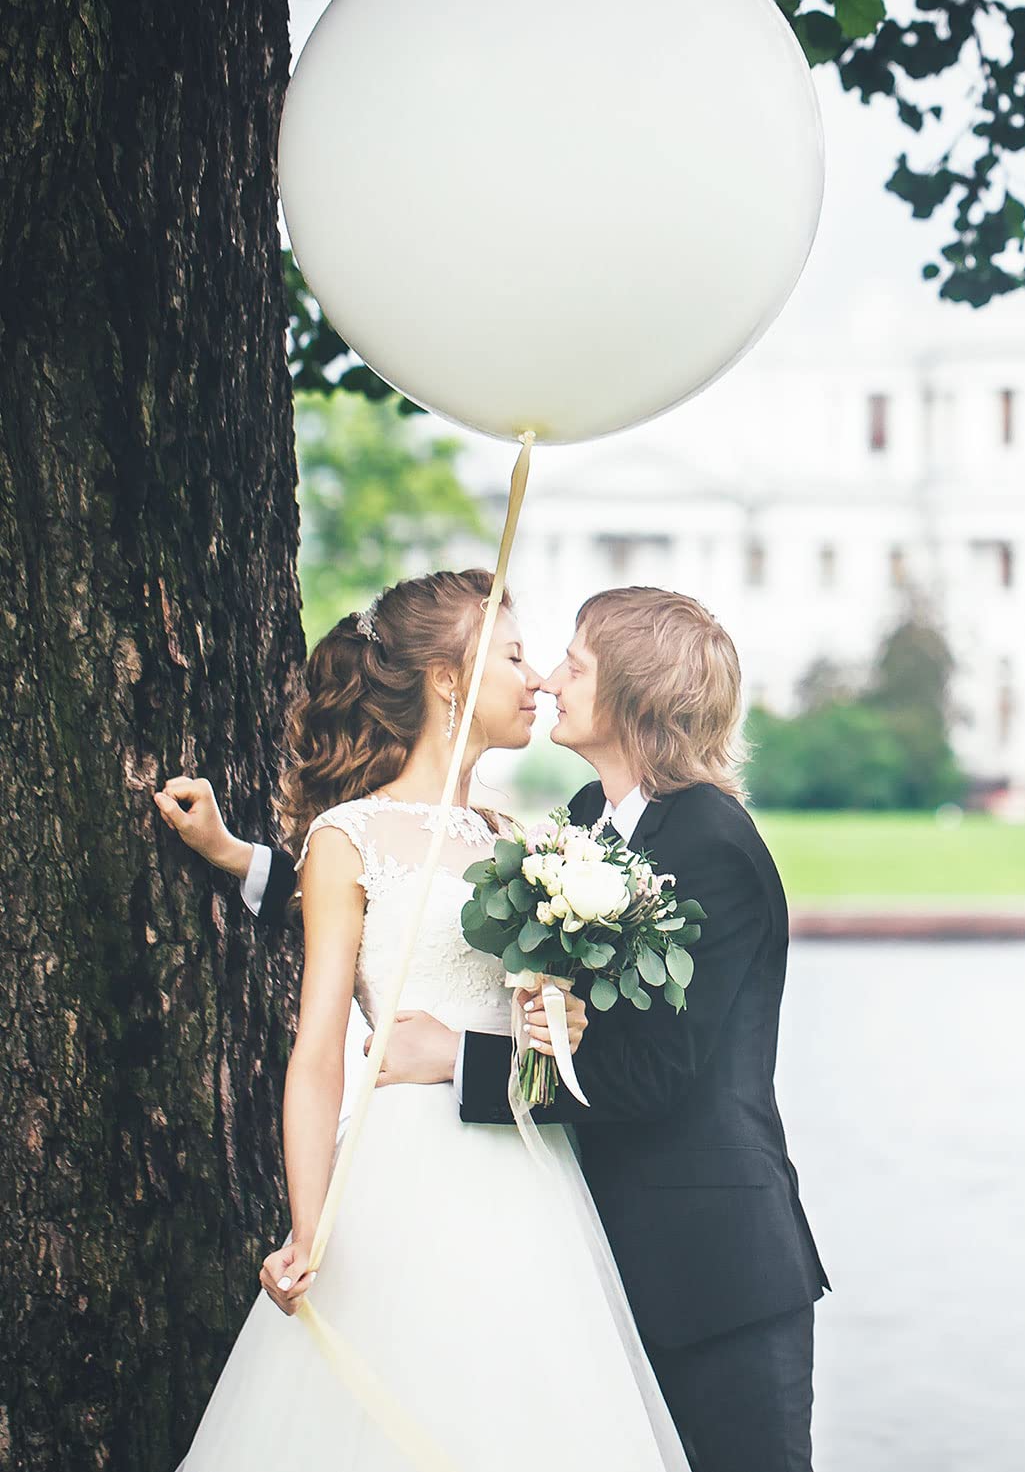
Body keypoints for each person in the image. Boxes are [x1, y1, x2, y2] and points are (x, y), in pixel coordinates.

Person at [161, 584, 829, 1472]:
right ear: (446, 680)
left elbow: (651, 1070)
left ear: (630, 693)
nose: (548, 678)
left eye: (570, 664)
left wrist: (455, 1056)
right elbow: (403, 908)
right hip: (533, 1218)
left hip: (709, 1262)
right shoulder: (578, 828)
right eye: (525, 656)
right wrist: (240, 860)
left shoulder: (707, 838)